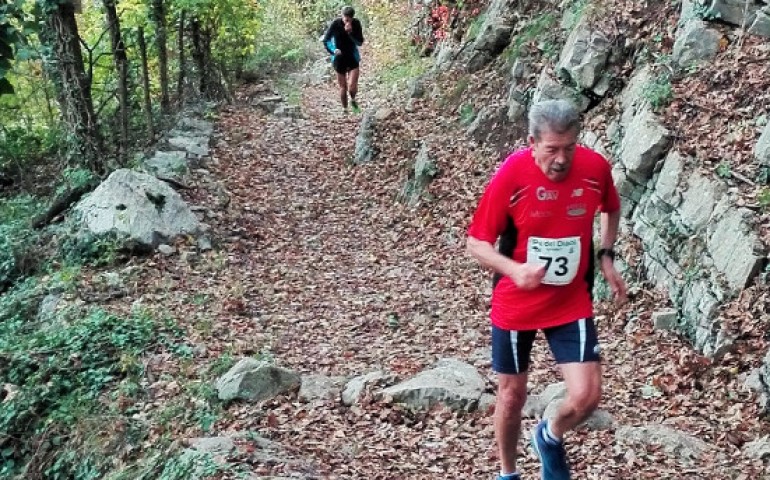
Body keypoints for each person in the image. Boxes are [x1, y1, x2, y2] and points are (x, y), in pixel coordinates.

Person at [466, 99, 627, 480]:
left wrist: (606, 255)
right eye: (552, 149)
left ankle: (549, 436)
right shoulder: (512, 174)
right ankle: (508, 473)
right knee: (511, 396)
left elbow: (611, 207)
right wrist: (514, 270)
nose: (561, 159)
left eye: (569, 148)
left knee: (587, 396)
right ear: (532, 143)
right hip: (516, 302)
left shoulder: (594, 168)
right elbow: (476, 242)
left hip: (570, 299)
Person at [322, 6, 364, 113]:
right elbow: (326, 40)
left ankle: (353, 100)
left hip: (352, 57)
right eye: (345, 19)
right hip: (339, 58)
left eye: (349, 19)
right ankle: (345, 110)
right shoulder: (335, 24)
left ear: (352, 18)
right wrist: (333, 50)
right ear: (342, 16)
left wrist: (350, 33)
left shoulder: (356, 23)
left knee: (352, 86)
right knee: (343, 87)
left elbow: (360, 42)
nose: (347, 21)